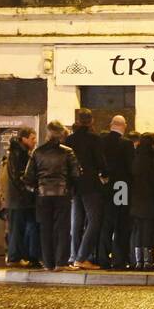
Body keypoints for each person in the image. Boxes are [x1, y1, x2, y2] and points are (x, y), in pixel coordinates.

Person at [24, 121, 79, 271]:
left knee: (45, 228)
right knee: (62, 228)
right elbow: (76, 174)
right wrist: (70, 189)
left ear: (47, 133)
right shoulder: (67, 152)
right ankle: (61, 261)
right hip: (62, 194)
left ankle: (48, 262)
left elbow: (28, 177)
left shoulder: (38, 152)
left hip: (43, 195)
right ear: (61, 134)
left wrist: (37, 189)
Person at [64, 109, 106, 268]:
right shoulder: (95, 139)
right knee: (95, 220)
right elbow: (101, 163)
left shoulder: (69, 139)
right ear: (92, 121)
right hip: (90, 184)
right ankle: (82, 257)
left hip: (75, 185)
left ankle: (74, 256)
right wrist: (104, 173)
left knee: (76, 221)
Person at [98, 114, 135, 270]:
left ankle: (103, 258)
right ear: (124, 126)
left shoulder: (101, 142)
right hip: (121, 186)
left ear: (111, 125)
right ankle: (119, 259)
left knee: (107, 222)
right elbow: (131, 167)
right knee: (121, 222)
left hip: (105, 186)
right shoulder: (126, 144)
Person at [1, 128, 39, 267]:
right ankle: (14, 258)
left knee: (20, 228)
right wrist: (29, 190)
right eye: (32, 138)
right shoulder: (19, 154)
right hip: (19, 199)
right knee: (17, 229)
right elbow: (19, 177)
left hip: (18, 199)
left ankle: (20, 256)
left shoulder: (18, 152)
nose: (35, 141)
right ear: (24, 139)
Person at [130, 132, 154, 271]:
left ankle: (138, 260)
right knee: (150, 230)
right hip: (151, 198)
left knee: (138, 230)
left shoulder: (134, 156)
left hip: (136, 199)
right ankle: (148, 261)